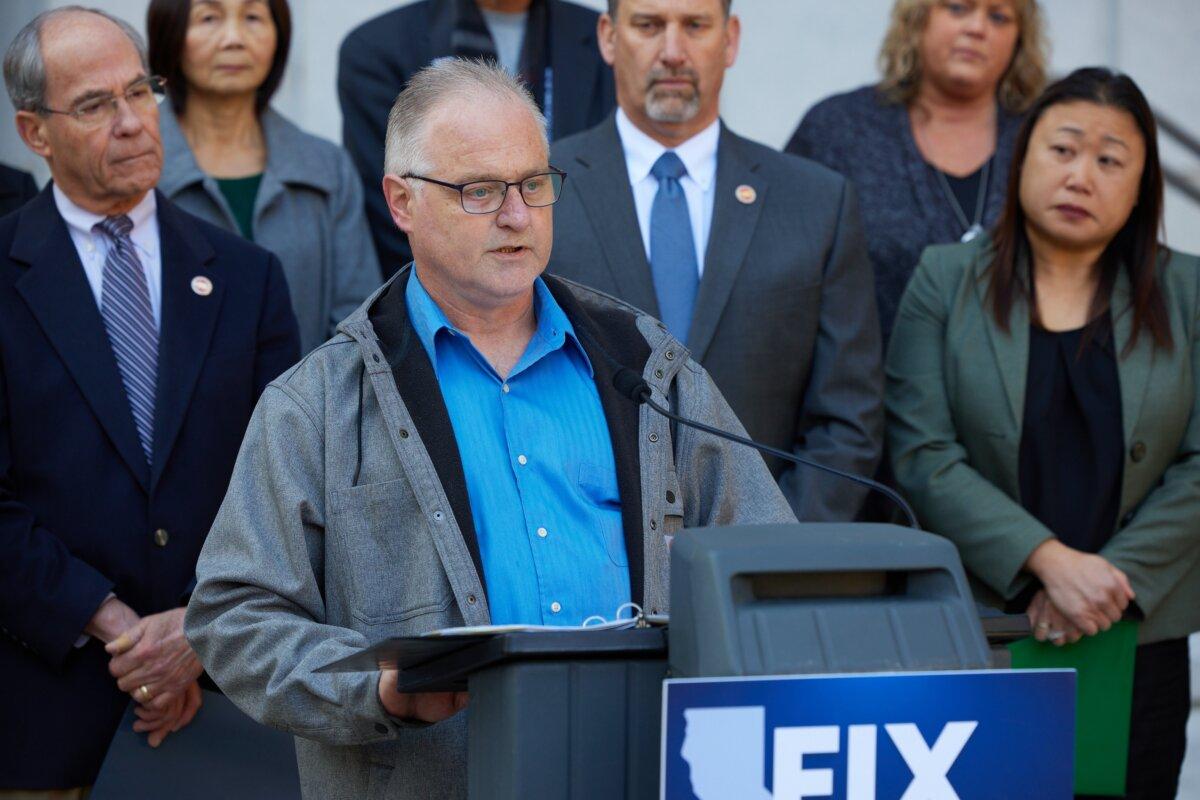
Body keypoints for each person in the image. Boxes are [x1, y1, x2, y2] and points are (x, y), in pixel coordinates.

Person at [186, 58, 794, 800]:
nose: (517, 215)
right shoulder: (315, 404)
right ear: (401, 201)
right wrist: (374, 691)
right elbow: (233, 620)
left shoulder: (645, 364)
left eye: (534, 185)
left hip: (641, 769)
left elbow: (768, 562)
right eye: (480, 191)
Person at [0, 7, 299, 794]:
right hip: (45, 715)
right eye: (97, 105)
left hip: (224, 713)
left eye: (140, 91)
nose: (133, 123)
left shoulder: (247, 277)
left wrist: (199, 630)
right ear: (35, 132)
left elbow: (287, 487)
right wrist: (119, 629)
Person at [886, 68, 1200, 799]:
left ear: (1141, 183)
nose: (1080, 176)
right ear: (1023, 159)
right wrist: (1048, 563)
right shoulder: (946, 277)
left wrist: (1105, 583)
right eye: (1062, 149)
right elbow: (920, 450)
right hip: (985, 624)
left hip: (1138, 634)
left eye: (1110, 159)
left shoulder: (1187, 292)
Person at [549, 0, 883, 521]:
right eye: (649, 25)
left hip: (763, 562)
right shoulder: (539, 192)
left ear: (729, 40)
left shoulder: (817, 202)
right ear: (609, 37)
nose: (674, 51)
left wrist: (774, 548)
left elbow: (847, 419)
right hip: (587, 554)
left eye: (695, 26)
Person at [787, 0, 1047, 344]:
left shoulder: (1045, 138)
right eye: (957, 8)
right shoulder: (838, 128)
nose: (977, 28)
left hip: (1018, 392)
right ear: (917, 18)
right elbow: (786, 275)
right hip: (864, 390)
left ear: (1020, 40)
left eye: (998, 16)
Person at [149, 0, 380, 356]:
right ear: (170, 32)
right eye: (209, 18)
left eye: (253, 17)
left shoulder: (326, 167)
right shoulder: (136, 167)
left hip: (308, 408)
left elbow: (357, 322)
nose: (233, 38)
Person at [337, 0, 616, 277]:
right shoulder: (377, 48)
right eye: (479, 189)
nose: (516, 217)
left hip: (584, 290)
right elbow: (390, 220)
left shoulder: (603, 39)